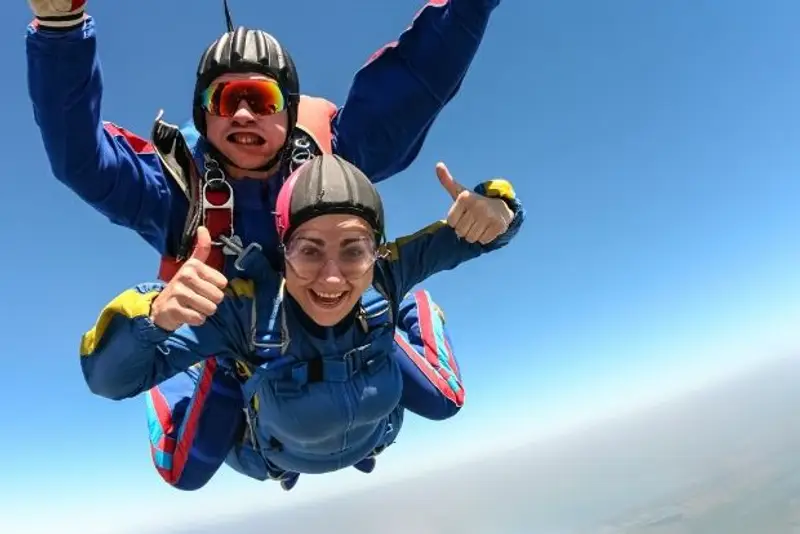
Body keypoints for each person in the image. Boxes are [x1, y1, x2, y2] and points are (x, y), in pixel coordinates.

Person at [25, 0, 503, 490]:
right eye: (224, 99)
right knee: (185, 469)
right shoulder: (175, 193)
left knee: (442, 400)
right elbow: (81, 160)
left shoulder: (334, 159)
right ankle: (194, 379)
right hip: (237, 348)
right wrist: (61, 28)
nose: (243, 114)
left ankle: (402, 314)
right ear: (203, 115)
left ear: (289, 109)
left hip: (348, 325)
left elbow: (423, 77)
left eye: (261, 97)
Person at [80, 153, 525, 489]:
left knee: (446, 401)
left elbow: (486, 232)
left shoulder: (387, 274)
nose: (331, 277)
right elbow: (109, 380)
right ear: (283, 252)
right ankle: (211, 365)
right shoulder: (243, 312)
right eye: (309, 250)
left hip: (361, 430)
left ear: (376, 250)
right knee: (182, 471)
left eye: (354, 250)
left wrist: (498, 210)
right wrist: (153, 318)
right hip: (279, 445)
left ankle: (411, 310)